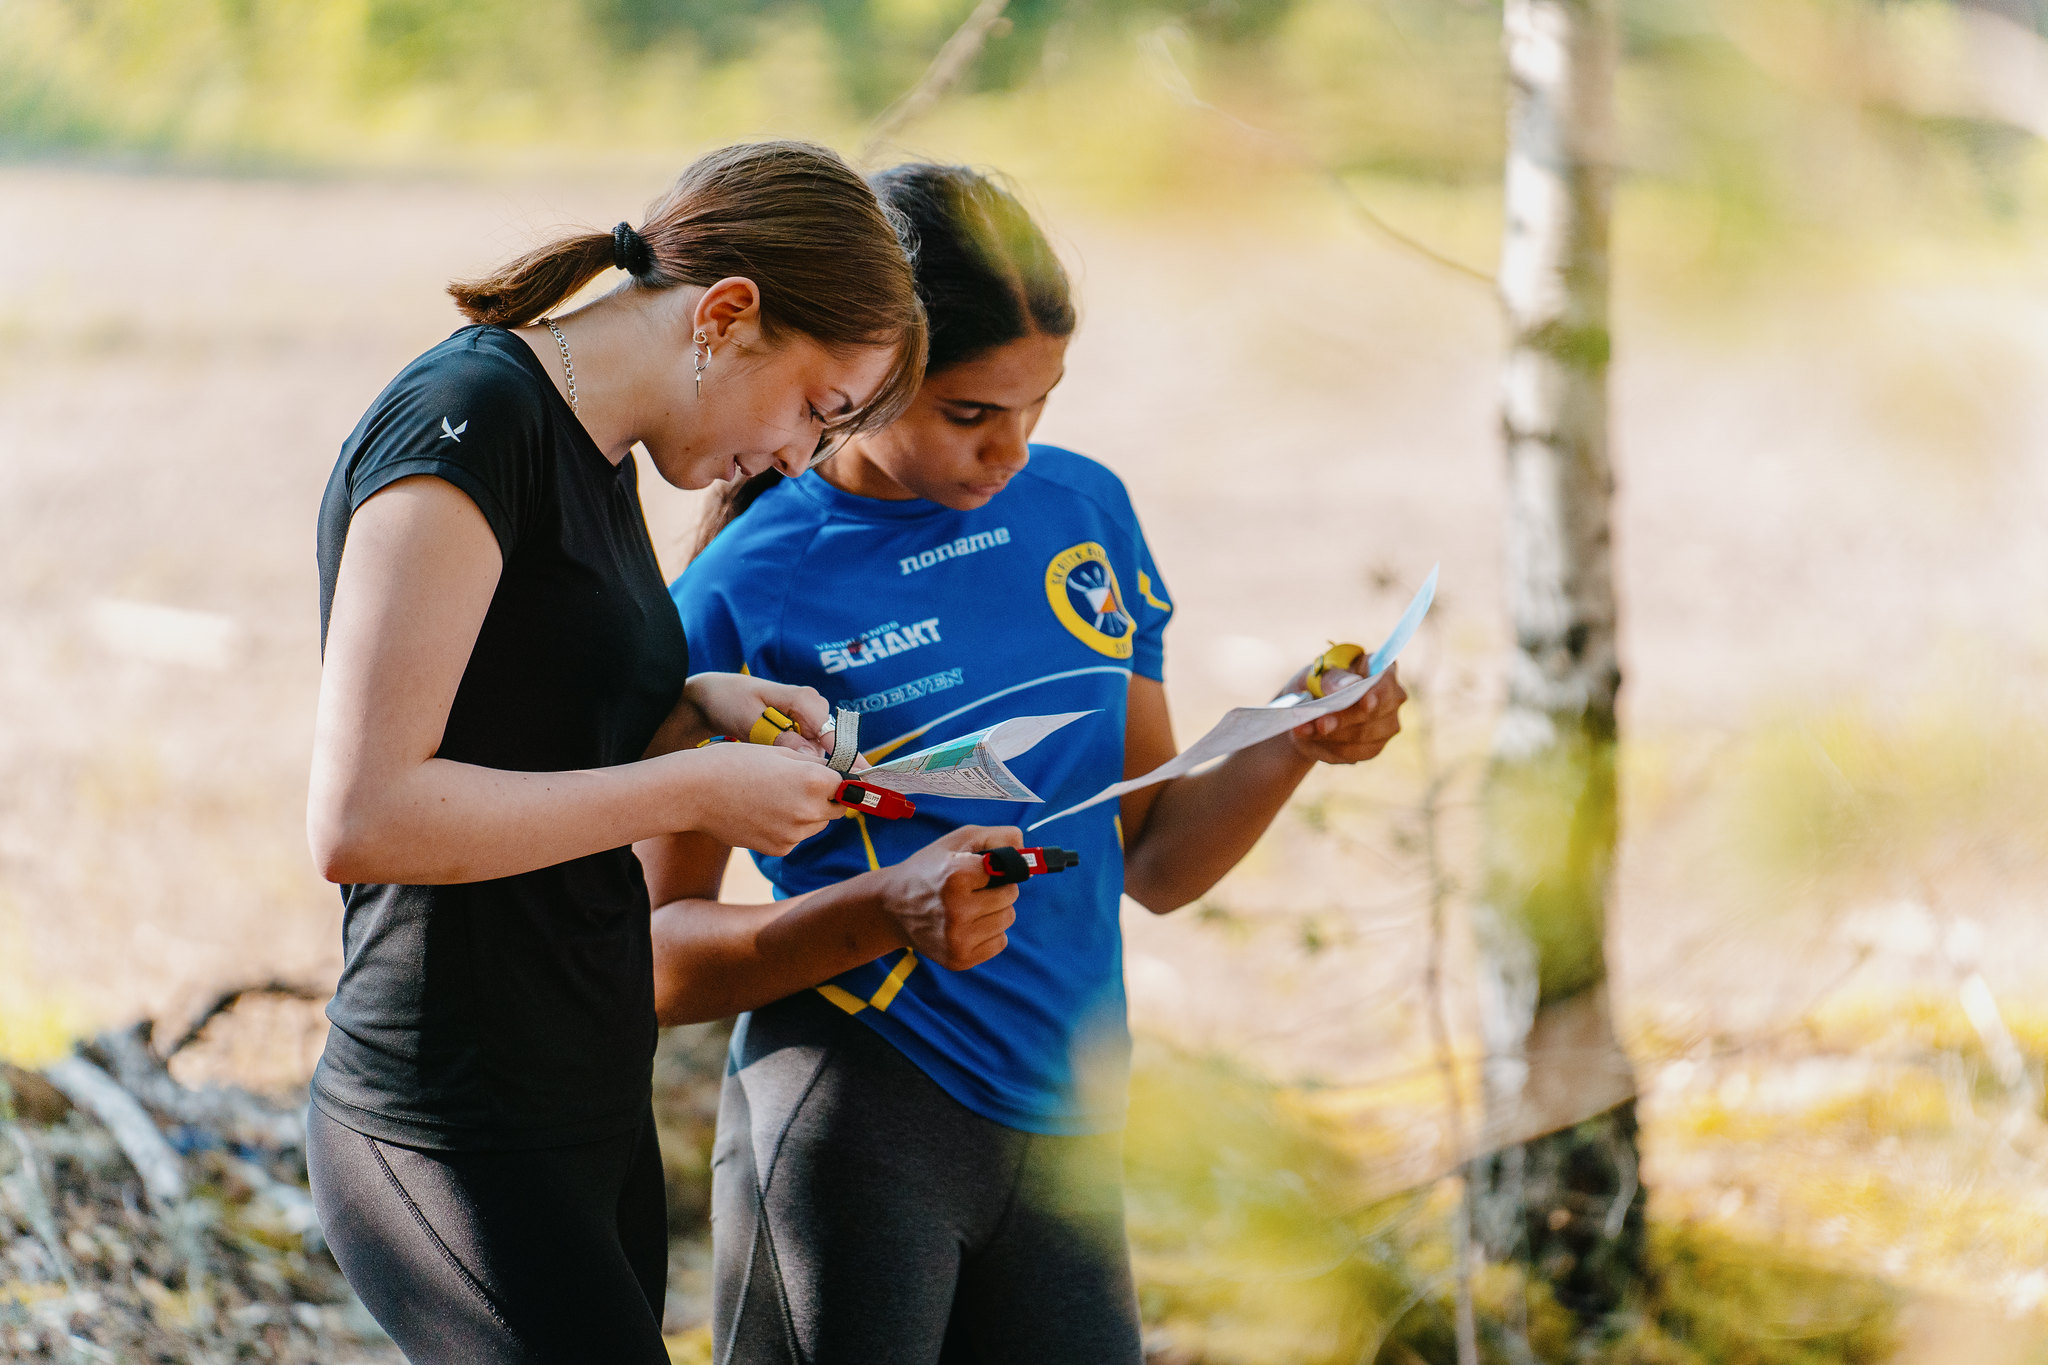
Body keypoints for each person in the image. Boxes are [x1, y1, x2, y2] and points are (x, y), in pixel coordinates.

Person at [646, 163, 1409, 1365]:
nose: (1010, 450)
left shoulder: (1082, 511)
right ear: (872, 369)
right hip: (860, 1109)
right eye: (969, 414)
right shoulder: (742, 592)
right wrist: (885, 911)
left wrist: (1289, 735)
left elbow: (1149, 860)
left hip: (1070, 1123)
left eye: (1039, 406)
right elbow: (658, 957)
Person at [303, 141, 960, 1365]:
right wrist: (696, 785)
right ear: (725, 315)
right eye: (817, 411)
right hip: (448, 1113)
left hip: (581, 1094)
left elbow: (523, 718)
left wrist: (694, 702)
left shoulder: (598, 448)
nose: (798, 461)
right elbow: (365, 814)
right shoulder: (471, 424)